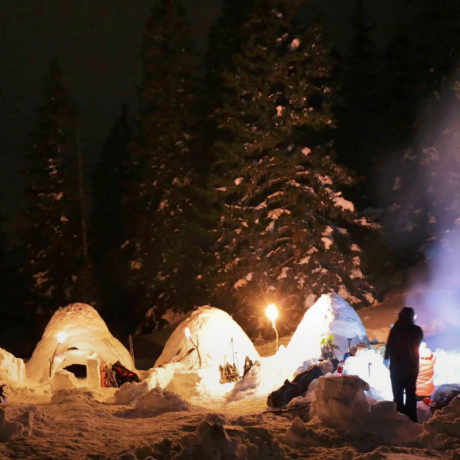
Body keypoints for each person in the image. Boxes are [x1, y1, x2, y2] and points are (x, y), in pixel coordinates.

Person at [384, 307, 423, 422]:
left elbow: (389, 346)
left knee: (398, 393)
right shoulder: (417, 330)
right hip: (412, 367)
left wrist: (386, 359)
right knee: (411, 393)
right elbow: (418, 343)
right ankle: (411, 418)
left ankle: (400, 418)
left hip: (397, 368)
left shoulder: (396, 329)